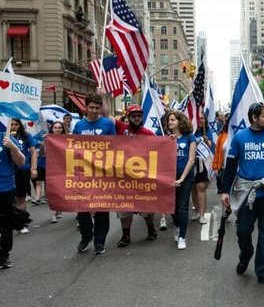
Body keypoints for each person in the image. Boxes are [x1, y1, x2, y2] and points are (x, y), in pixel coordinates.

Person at [220, 102, 264, 287]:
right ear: (254, 118)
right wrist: (224, 191)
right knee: (243, 232)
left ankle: (263, 271)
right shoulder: (240, 137)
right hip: (246, 194)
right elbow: (230, 166)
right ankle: (245, 255)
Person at [73, 93, 116, 255]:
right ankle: (86, 236)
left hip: (102, 174)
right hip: (83, 174)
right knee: (82, 209)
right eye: (91, 107)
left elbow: (115, 146)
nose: (94, 110)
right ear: (86, 108)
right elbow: (71, 147)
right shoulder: (78, 126)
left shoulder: (107, 124)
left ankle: (99, 241)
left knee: (102, 210)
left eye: (97, 108)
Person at [113, 104, 158, 247]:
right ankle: (126, 236)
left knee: (146, 206)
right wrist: (102, 96)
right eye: (134, 116)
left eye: (139, 116)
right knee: (124, 208)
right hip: (124, 177)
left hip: (142, 177)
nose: (137, 118)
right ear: (128, 117)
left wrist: (171, 139)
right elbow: (107, 114)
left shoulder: (149, 134)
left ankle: (151, 228)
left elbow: (160, 150)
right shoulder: (121, 128)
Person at [165, 110, 196, 250]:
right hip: (170, 174)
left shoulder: (190, 137)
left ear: (180, 121)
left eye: (173, 119)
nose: (170, 122)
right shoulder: (167, 138)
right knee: (172, 205)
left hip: (186, 175)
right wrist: (167, 142)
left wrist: (182, 178)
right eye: (169, 120)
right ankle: (177, 225)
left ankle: (182, 237)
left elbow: (191, 159)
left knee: (183, 205)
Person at [0, 127, 26, 269]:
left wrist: (13, 148)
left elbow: (21, 162)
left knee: (5, 225)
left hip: (5, 188)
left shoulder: (5, 137)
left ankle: (3, 255)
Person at [10, 118, 38, 234]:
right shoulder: (4, 136)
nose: (13, 126)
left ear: (20, 125)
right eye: (11, 124)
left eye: (16, 124)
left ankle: (21, 222)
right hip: (8, 172)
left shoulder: (26, 136)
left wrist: (34, 168)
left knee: (21, 197)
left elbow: (33, 152)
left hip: (23, 170)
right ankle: (12, 220)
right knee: (9, 199)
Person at [42, 121, 68, 223]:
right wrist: (44, 144)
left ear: (62, 129)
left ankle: (79, 213)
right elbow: (42, 154)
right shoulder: (47, 139)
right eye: (55, 127)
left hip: (65, 168)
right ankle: (57, 212)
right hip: (52, 168)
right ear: (52, 129)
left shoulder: (67, 140)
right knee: (55, 190)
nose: (57, 129)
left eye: (59, 128)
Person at [191, 112, 212, 225]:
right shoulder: (190, 130)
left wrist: (206, 140)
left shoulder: (207, 130)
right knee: (193, 188)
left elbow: (210, 145)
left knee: (200, 187)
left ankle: (202, 215)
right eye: (198, 118)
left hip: (202, 163)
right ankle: (198, 211)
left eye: (203, 118)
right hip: (190, 162)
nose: (200, 120)